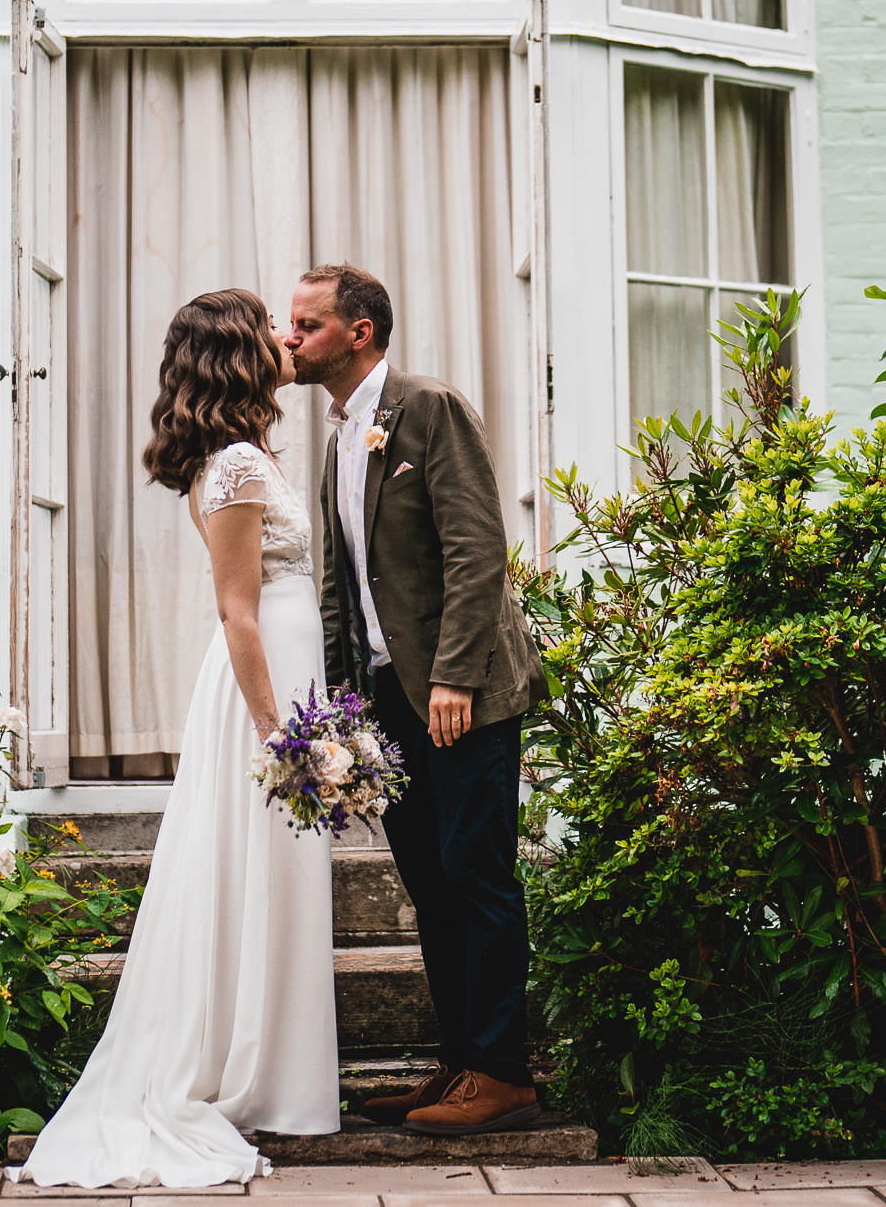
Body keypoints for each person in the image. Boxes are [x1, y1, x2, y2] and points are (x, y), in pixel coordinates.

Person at [16, 289, 340, 1188]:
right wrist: (281, 731)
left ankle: (277, 1068)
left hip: (285, 669)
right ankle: (248, 1072)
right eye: (270, 325)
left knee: (277, 875)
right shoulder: (233, 466)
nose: (286, 335)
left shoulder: (249, 454)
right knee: (252, 869)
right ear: (239, 352)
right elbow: (237, 610)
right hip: (260, 684)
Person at [286, 262, 551, 1135]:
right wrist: (339, 712)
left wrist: (453, 676)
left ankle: (505, 1073)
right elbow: (341, 585)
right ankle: (458, 1065)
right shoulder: (336, 438)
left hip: (459, 692)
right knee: (429, 882)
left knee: (477, 871)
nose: (291, 339)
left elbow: (479, 548)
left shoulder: (428, 408)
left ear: (358, 331)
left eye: (307, 325)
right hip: (387, 699)